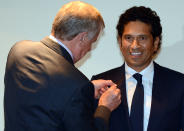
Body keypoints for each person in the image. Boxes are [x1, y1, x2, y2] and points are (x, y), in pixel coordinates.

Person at [4, 1, 121, 131]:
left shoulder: (18, 50)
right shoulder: (77, 85)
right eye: (92, 42)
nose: (89, 49)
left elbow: (43, 92)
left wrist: (88, 89)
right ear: (82, 38)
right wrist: (104, 108)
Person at [91, 6, 184, 131]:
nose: (135, 46)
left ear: (155, 42)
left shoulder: (179, 84)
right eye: (128, 38)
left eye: (142, 38)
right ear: (120, 42)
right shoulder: (100, 84)